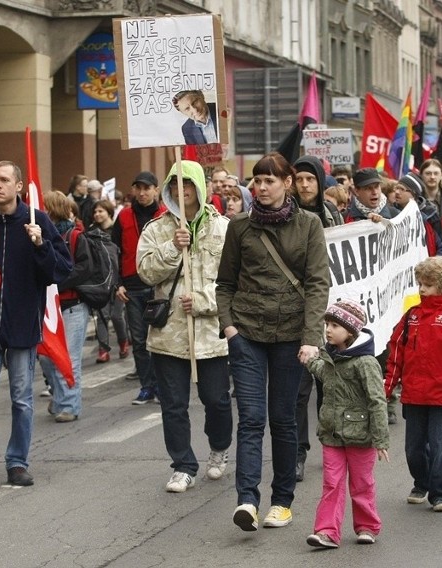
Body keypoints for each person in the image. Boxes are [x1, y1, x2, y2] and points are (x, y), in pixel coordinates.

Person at [216, 152, 330, 532]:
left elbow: (317, 284)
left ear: (288, 182)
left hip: (290, 336)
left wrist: (312, 338)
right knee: (250, 419)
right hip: (247, 332)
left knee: (283, 420)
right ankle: (247, 499)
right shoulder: (239, 227)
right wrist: (229, 327)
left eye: (269, 181)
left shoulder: (309, 225)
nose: (261, 187)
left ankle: (282, 501)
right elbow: (225, 284)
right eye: (257, 181)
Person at [0, 161, 72, 491]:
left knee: (21, 398)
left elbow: (59, 271)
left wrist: (40, 244)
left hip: (22, 325)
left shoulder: (38, 221)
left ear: (19, 186)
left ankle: (17, 462)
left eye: (4, 179)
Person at [137, 160, 233, 493]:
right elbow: (145, 273)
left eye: (188, 184)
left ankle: (219, 448)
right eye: (175, 184)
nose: (183, 191)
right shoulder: (156, 228)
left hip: (211, 335)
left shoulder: (222, 228)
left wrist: (205, 300)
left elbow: (235, 281)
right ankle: (182, 464)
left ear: (199, 187)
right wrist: (171, 248)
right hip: (169, 335)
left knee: (217, 400)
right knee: (173, 404)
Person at [386, 257, 442, 513]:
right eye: (421, 283)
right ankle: (421, 482)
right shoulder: (411, 316)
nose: (422, 289)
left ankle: (440, 493)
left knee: (441, 446)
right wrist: (387, 388)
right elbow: (396, 352)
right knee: (413, 448)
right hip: (413, 394)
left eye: (429, 284)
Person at [302, 300, 390, 549]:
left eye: (334, 325)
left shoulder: (366, 362)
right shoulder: (332, 356)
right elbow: (324, 372)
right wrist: (310, 361)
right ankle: (327, 531)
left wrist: (380, 439)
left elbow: (377, 401)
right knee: (332, 483)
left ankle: (367, 527)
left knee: (361, 483)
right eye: (327, 324)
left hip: (360, 436)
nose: (328, 330)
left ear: (350, 331)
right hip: (331, 434)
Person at [291, 155, 343, 482]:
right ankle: (297, 452)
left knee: (328, 387)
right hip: (297, 314)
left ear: (320, 182)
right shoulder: (286, 216)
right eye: (300, 179)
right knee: (298, 391)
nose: (306, 185)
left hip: (330, 315)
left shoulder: (333, 215)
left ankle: (330, 445)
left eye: (311, 179)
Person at [38, 190, 92, 423]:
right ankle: (60, 397)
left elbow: (84, 268)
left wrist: (57, 281)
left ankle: (69, 405)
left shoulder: (75, 236)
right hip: (49, 307)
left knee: (68, 358)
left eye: (44, 207)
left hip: (72, 306)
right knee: (47, 357)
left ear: (53, 209)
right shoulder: (39, 236)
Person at [113, 171, 166, 403]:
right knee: (140, 341)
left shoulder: (166, 215)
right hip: (132, 286)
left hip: (159, 285)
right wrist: (117, 284)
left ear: (156, 190)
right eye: (138, 188)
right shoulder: (123, 216)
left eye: (147, 188)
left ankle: (163, 387)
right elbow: (114, 251)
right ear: (133, 190)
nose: (143, 193)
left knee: (162, 340)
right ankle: (147, 386)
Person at [90, 199, 129, 363]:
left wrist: (122, 280)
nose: (97, 214)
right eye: (95, 212)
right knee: (102, 315)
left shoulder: (116, 231)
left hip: (118, 279)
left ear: (109, 212)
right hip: (100, 281)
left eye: (101, 211)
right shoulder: (91, 233)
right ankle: (103, 350)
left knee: (116, 315)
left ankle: (123, 342)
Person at [392, 172, 442, 257]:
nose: (397, 192)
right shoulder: (391, 213)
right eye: (396, 188)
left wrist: (435, 265)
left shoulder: (429, 214)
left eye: (402, 189)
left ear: (414, 193)